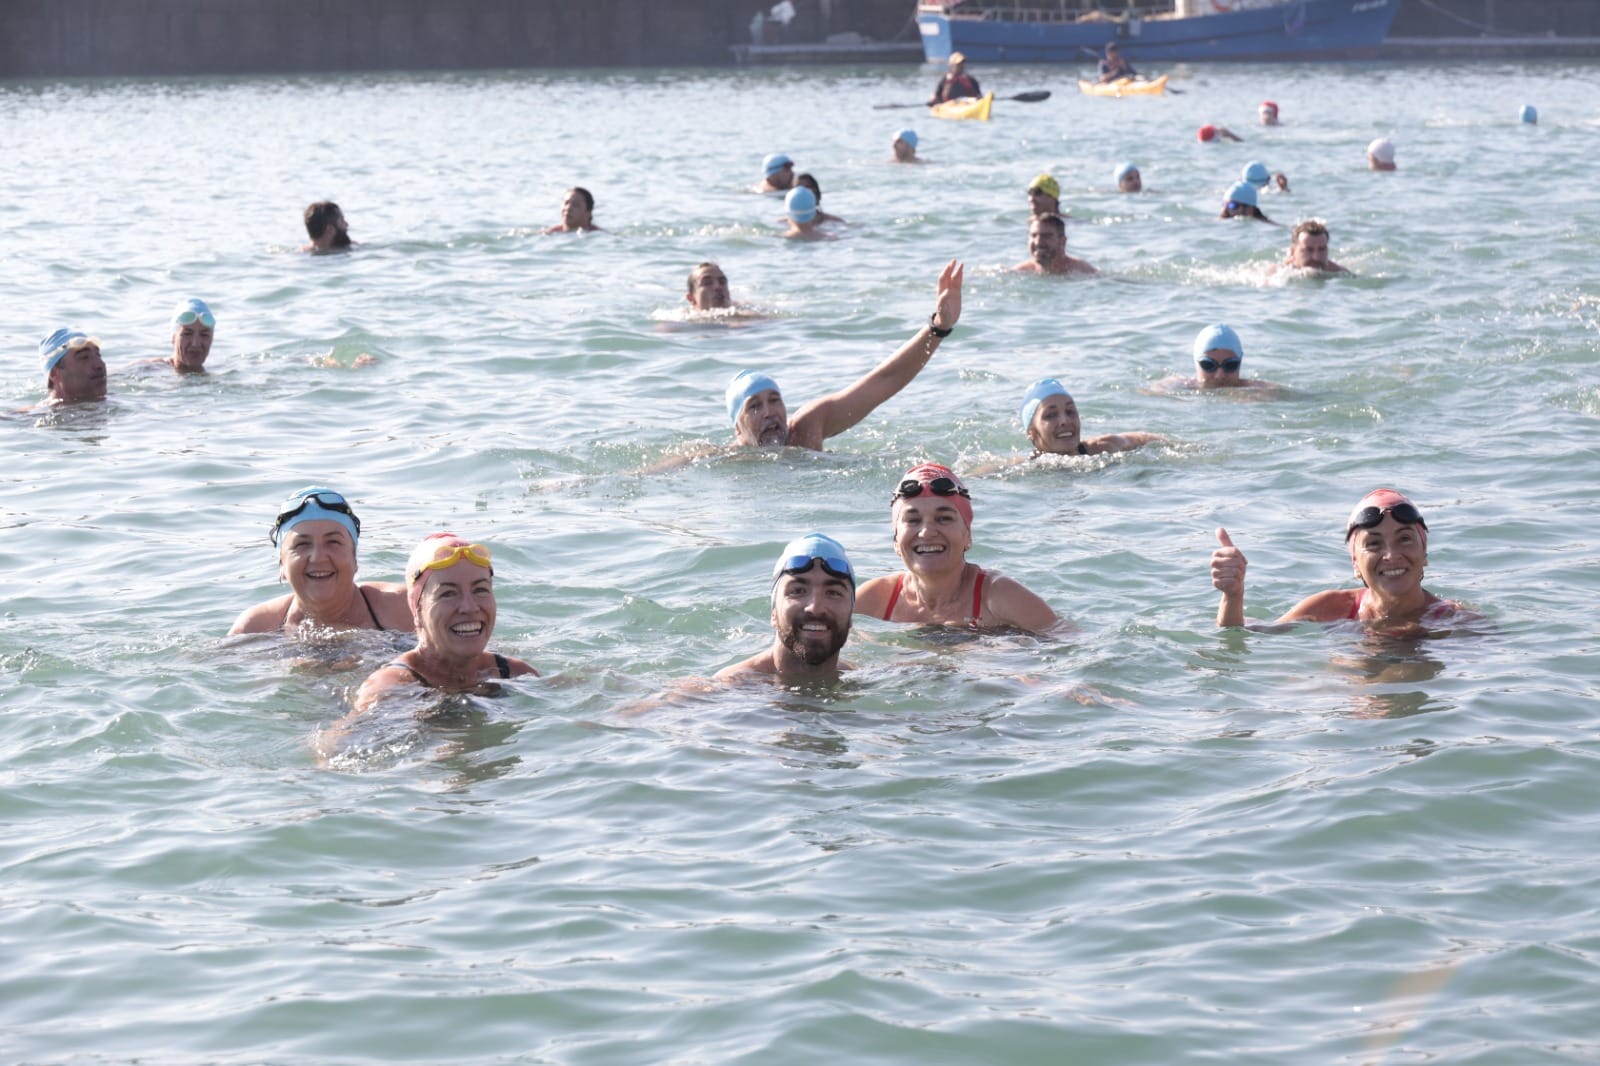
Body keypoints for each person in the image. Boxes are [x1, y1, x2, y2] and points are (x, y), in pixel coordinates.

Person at [723, 259, 962, 450]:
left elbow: (885, 380)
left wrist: (938, 328)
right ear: (737, 428)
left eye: (775, 400)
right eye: (754, 407)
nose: (769, 413)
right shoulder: (730, 461)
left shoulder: (807, 428)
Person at [1211, 488, 1467, 630]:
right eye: (1374, 544)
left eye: (1405, 539)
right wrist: (1233, 596)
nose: (1391, 555)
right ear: (1356, 564)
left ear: (1424, 554)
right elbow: (1239, 634)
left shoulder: (1454, 623)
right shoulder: (1331, 608)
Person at [854, 463, 1061, 634]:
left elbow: (1067, 643)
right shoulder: (874, 600)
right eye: (913, 520)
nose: (927, 532)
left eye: (943, 519)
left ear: (967, 537)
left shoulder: (999, 595)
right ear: (896, 542)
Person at [344, 533, 536, 711]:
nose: (469, 607)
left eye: (480, 590)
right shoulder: (390, 689)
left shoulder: (514, 673)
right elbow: (337, 744)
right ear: (416, 609)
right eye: (448, 593)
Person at [229, 487, 413, 635]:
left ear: (354, 558)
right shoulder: (254, 629)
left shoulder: (405, 609)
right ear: (282, 566)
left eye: (333, 542)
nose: (318, 557)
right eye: (302, 544)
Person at [716, 534, 858, 682]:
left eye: (833, 593)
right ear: (774, 613)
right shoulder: (724, 689)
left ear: (851, 615)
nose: (815, 608)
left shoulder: (863, 681)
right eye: (798, 591)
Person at [1017, 378, 1161, 457]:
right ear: (1031, 432)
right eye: (1050, 415)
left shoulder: (1102, 448)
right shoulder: (1026, 466)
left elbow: (1145, 438)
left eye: (1070, 411)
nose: (1064, 421)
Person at [1153, 324, 1277, 393]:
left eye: (1230, 365)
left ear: (1240, 361)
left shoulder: (1257, 391)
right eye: (1208, 365)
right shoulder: (1177, 387)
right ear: (1195, 361)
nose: (1219, 375)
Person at [38, 328, 108, 405]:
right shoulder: (36, 414)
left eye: (98, 355)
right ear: (54, 374)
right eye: (84, 357)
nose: (99, 365)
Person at [1015, 214, 1096, 276]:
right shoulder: (1022, 271)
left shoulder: (1083, 271)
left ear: (1062, 241)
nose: (1038, 242)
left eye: (1046, 236)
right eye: (1033, 235)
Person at [1279, 219, 1349, 275]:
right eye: (1309, 250)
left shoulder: (1340, 273)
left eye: (1321, 249)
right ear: (1292, 252)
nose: (1316, 257)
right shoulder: (1278, 274)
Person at [165, 298, 214, 373]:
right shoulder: (152, 369)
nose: (196, 344)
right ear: (174, 338)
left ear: (211, 340)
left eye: (204, 335)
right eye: (187, 334)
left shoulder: (218, 369)